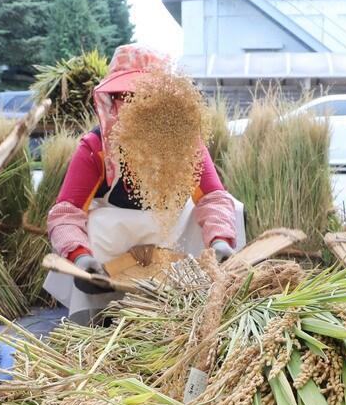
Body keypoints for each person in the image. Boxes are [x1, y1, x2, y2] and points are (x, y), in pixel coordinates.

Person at [44, 44, 244, 323]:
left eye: (143, 97)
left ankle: (194, 309)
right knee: (97, 223)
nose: (133, 105)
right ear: (112, 101)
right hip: (115, 248)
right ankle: (106, 316)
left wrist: (220, 242)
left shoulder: (187, 143)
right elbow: (65, 214)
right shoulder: (95, 148)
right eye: (124, 97)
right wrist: (82, 259)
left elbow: (213, 198)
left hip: (174, 238)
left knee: (230, 208)